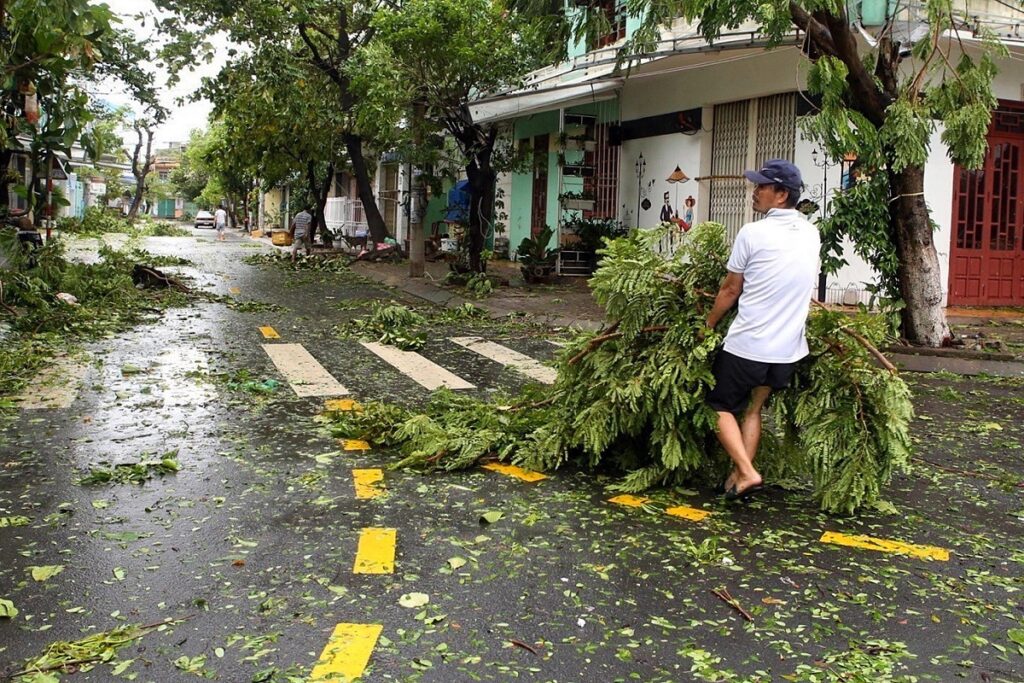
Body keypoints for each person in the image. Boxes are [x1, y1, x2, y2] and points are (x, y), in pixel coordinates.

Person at [703, 159, 820, 501]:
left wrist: (708, 324)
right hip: (787, 351)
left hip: (748, 344)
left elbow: (729, 290)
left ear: (782, 194)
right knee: (753, 409)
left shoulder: (753, 233)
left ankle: (749, 471)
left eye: (762, 187)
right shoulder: (811, 233)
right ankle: (738, 477)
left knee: (718, 407)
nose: (755, 192)